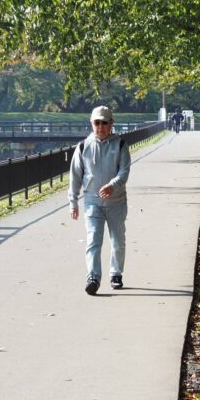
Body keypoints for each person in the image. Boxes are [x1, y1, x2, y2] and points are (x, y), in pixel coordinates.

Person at [69, 105, 132, 295]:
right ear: (92, 123)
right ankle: (93, 277)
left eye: (105, 122)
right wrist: (73, 202)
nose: (101, 126)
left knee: (117, 241)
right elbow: (75, 175)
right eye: (97, 122)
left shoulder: (120, 144)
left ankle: (116, 274)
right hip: (92, 202)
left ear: (111, 123)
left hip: (116, 202)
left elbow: (125, 171)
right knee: (93, 240)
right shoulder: (83, 146)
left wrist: (113, 185)